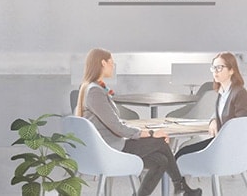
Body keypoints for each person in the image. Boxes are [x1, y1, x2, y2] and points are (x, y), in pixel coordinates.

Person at [75, 48, 201, 196]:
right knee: (161, 141)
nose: (113, 65)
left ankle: (180, 187)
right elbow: (117, 128)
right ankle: (180, 186)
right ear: (103, 63)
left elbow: (115, 122)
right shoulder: (95, 91)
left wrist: (141, 132)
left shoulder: (92, 88)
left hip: (109, 146)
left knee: (161, 160)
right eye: (111, 62)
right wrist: (151, 133)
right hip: (111, 150)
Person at [175, 52, 247, 159]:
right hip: (219, 142)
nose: (215, 72)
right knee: (181, 153)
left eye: (220, 68)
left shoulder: (239, 93)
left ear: (231, 70)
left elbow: (240, 124)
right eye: (213, 68)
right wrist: (213, 120)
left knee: (181, 155)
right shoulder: (223, 92)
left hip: (228, 145)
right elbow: (219, 114)